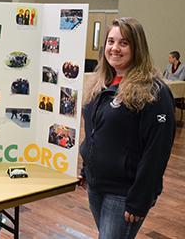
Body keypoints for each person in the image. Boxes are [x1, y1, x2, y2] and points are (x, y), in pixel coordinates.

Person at [79, 17, 175, 239]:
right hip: (96, 186)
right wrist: (86, 169)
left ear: (137, 47)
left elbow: (157, 151)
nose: (115, 48)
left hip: (124, 193)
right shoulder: (100, 83)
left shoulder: (153, 91)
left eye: (124, 43)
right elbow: (95, 132)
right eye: (111, 41)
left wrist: (140, 199)